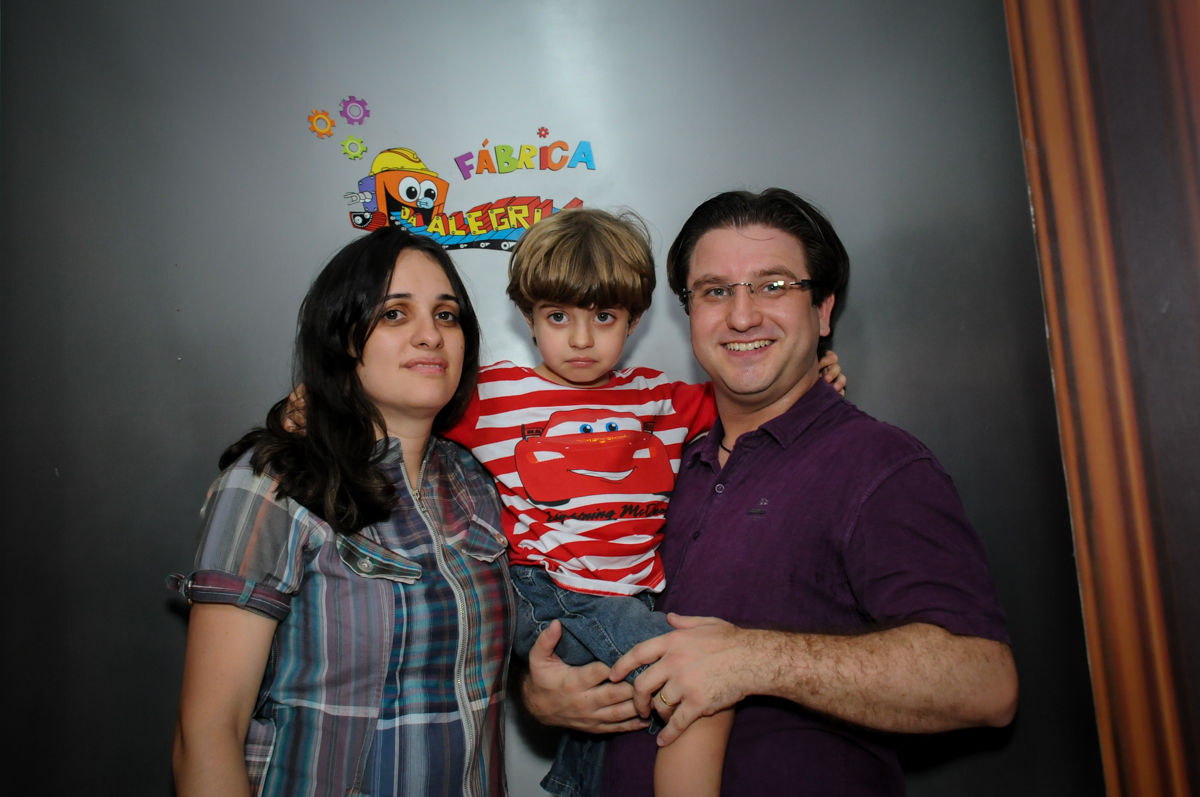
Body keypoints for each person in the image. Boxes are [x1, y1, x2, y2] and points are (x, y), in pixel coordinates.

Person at [521, 189, 1019, 796]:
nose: (741, 316)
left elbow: (984, 684)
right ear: (689, 314)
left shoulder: (880, 464)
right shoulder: (661, 459)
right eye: (714, 290)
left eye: (774, 285)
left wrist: (753, 661)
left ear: (824, 310)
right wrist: (548, 696)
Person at [439, 208, 845, 797]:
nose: (581, 339)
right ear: (528, 317)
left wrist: (813, 374)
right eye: (558, 317)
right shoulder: (495, 395)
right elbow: (404, 400)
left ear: (631, 320)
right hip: (554, 588)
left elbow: (759, 395)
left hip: (631, 589)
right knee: (696, 684)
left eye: (603, 317)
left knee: (616, 722)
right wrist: (315, 406)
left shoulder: (661, 398)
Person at [170, 227, 512, 797]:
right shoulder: (273, 481)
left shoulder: (476, 481)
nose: (430, 336)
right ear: (341, 336)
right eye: (394, 315)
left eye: (446, 315)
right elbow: (207, 734)